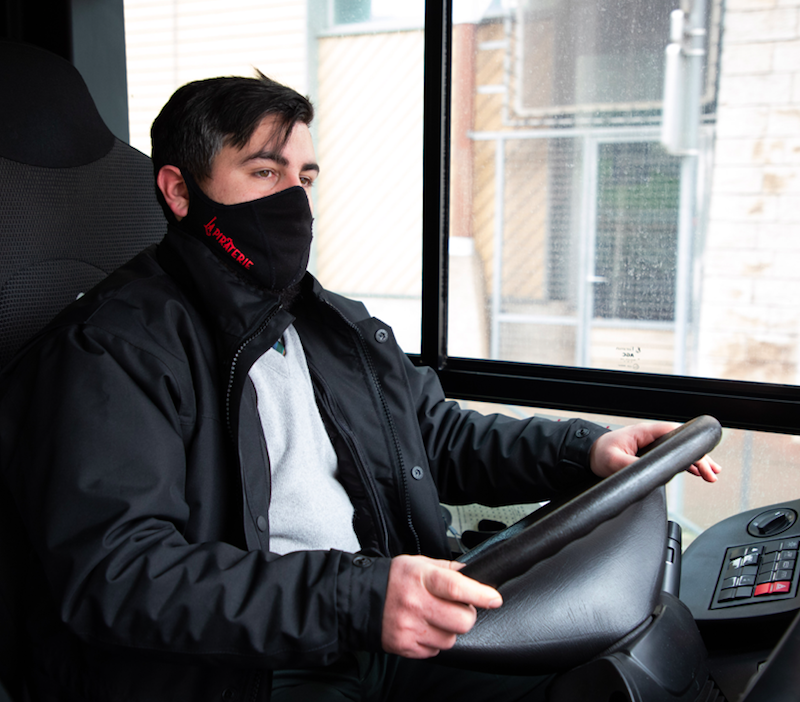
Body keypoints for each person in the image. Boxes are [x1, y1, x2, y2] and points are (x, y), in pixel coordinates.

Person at [0, 72, 720, 702]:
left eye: (305, 178)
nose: (294, 200)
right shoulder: (112, 351)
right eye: (265, 172)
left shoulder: (327, 322)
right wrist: (358, 599)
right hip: (248, 670)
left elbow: (432, 435)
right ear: (180, 191)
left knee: (609, 674)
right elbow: (124, 573)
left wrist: (585, 450)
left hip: (378, 628)